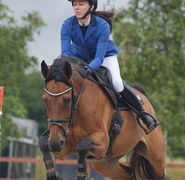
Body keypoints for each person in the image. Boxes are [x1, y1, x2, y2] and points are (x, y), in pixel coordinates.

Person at [61, 0, 159, 133]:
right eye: (74, 5)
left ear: (92, 7)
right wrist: (69, 68)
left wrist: (88, 70)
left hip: (105, 57)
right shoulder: (67, 24)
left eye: (81, 4)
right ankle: (58, 122)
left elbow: (98, 58)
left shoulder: (102, 26)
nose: (76, 8)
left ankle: (143, 114)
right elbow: (66, 54)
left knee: (117, 83)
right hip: (79, 58)